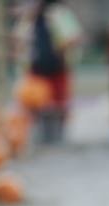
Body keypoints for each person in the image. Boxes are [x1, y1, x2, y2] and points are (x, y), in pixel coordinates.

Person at [29, 0, 82, 143]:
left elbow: (73, 38)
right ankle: (53, 137)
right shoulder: (58, 14)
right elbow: (74, 38)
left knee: (47, 105)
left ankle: (48, 137)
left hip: (45, 68)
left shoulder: (43, 14)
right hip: (50, 68)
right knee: (50, 105)